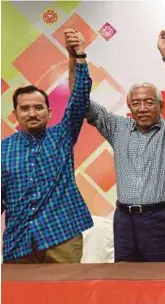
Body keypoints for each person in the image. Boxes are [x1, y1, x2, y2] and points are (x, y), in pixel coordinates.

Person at [82, 27, 165, 262]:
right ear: (129, 107)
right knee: (124, 285)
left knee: (160, 285)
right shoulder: (118, 128)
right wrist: (77, 59)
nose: (142, 108)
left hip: (162, 220)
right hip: (124, 221)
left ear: (161, 106)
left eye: (149, 102)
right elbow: (84, 103)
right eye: (137, 103)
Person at [1, 29, 93, 263]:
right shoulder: (3, 150)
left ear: (49, 112)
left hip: (60, 236)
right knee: (19, 299)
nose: (32, 113)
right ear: (15, 115)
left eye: (38, 107)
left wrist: (78, 57)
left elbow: (79, 98)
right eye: (25, 108)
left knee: (66, 298)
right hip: (19, 242)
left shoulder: (61, 136)